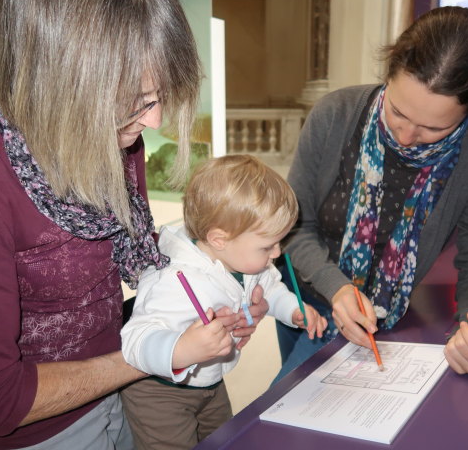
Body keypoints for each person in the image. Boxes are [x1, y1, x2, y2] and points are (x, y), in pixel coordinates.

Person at [0, 0, 267, 449]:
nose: (154, 121)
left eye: (156, 98)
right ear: (55, 79)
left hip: (122, 393)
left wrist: (210, 295)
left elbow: (122, 269)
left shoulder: (113, 130)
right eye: (135, 103)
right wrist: (155, 355)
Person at [275, 6, 468, 382]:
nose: (404, 137)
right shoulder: (335, 114)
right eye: (398, 112)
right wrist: (336, 289)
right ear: (389, 73)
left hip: (392, 316)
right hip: (303, 296)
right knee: (290, 389)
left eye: (433, 128)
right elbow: (293, 226)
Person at [120, 154, 328, 449]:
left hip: (211, 382)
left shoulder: (240, 257)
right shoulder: (172, 279)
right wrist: (182, 350)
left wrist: (292, 310)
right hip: (159, 393)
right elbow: (134, 342)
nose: (277, 253)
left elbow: (270, 287)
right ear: (219, 239)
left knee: (224, 441)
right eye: (267, 245)